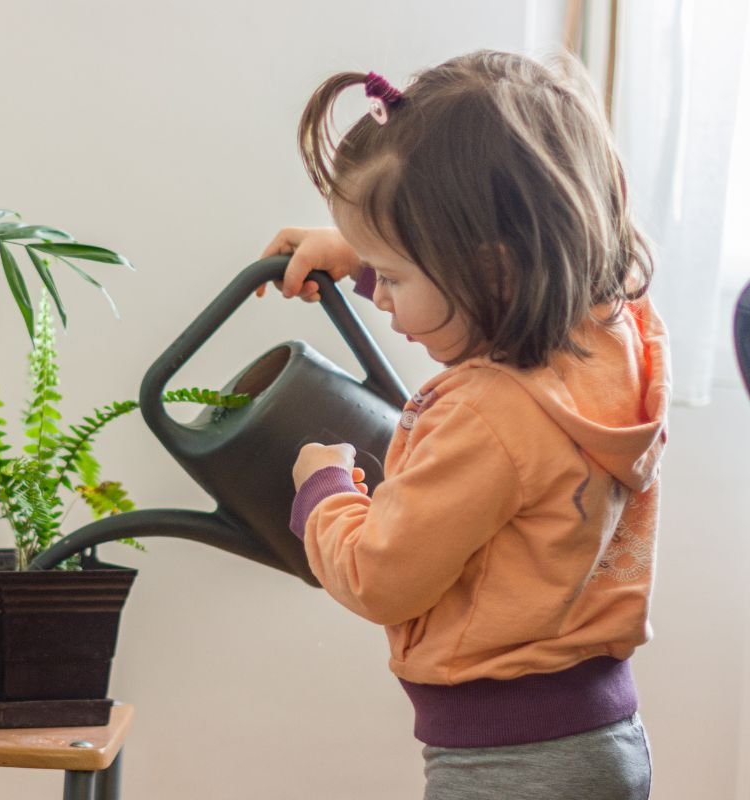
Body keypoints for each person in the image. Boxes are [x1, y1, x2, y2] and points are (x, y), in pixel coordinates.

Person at [261, 51, 669, 800]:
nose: (381, 297)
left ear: (490, 271)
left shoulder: (488, 418)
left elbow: (377, 578)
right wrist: (365, 255)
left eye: (394, 276)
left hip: (509, 768)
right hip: (599, 739)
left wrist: (323, 489)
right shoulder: (617, 338)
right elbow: (513, 287)